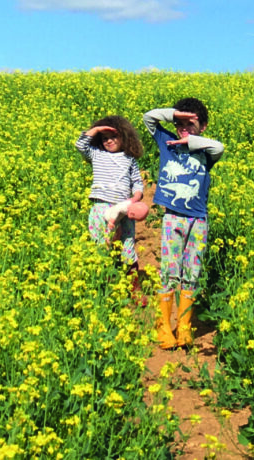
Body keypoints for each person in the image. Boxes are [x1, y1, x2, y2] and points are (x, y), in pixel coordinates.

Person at [143, 98, 224, 349]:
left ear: (204, 126)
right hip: (172, 218)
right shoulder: (166, 143)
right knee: (170, 271)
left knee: (192, 273)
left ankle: (185, 327)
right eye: (179, 124)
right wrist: (175, 114)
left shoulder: (205, 152)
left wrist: (189, 140)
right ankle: (163, 326)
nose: (183, 128)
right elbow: (149, 117)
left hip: (198, 220)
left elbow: (219, 146)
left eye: (190, 124)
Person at [74, 115, 146, 271]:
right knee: (101, 244)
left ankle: (131, 283)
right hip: (101, 205)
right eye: (105, 138)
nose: (109, 140)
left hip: (124, 206)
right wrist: (97, 129)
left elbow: (137, 183)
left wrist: (136, 197)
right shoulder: (97, 154)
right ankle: (104, 280)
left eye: (114, 136)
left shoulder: (129, 158)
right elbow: (80, 145)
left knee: (127, 244)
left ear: (124, 137)